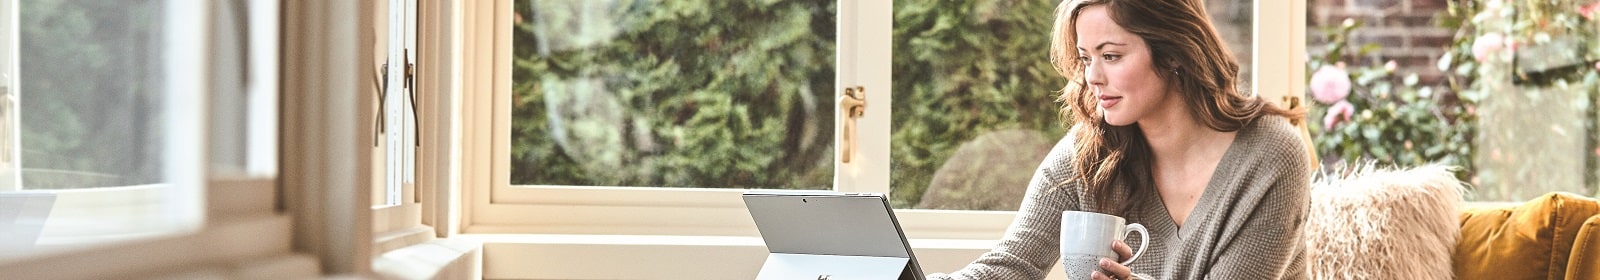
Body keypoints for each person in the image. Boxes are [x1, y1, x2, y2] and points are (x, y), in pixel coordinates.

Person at [926, 0, 1311, 279]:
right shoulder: (1090, 150)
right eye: (1084, 58)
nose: (1092, 77)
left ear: (1174, 52)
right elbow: (1012, 265)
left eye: (1110, 56)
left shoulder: (1270, 154)